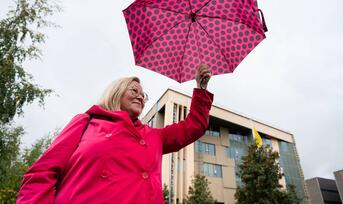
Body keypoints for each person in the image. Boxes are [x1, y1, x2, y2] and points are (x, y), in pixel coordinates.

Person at [17, 64, 213, 203]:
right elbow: (42, 173)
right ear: (116, 92)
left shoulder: (153, 135)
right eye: (134, 90)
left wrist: (201, 88)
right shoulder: (87, 122)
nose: (140, 97)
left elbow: (193, 126)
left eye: (143, 95)